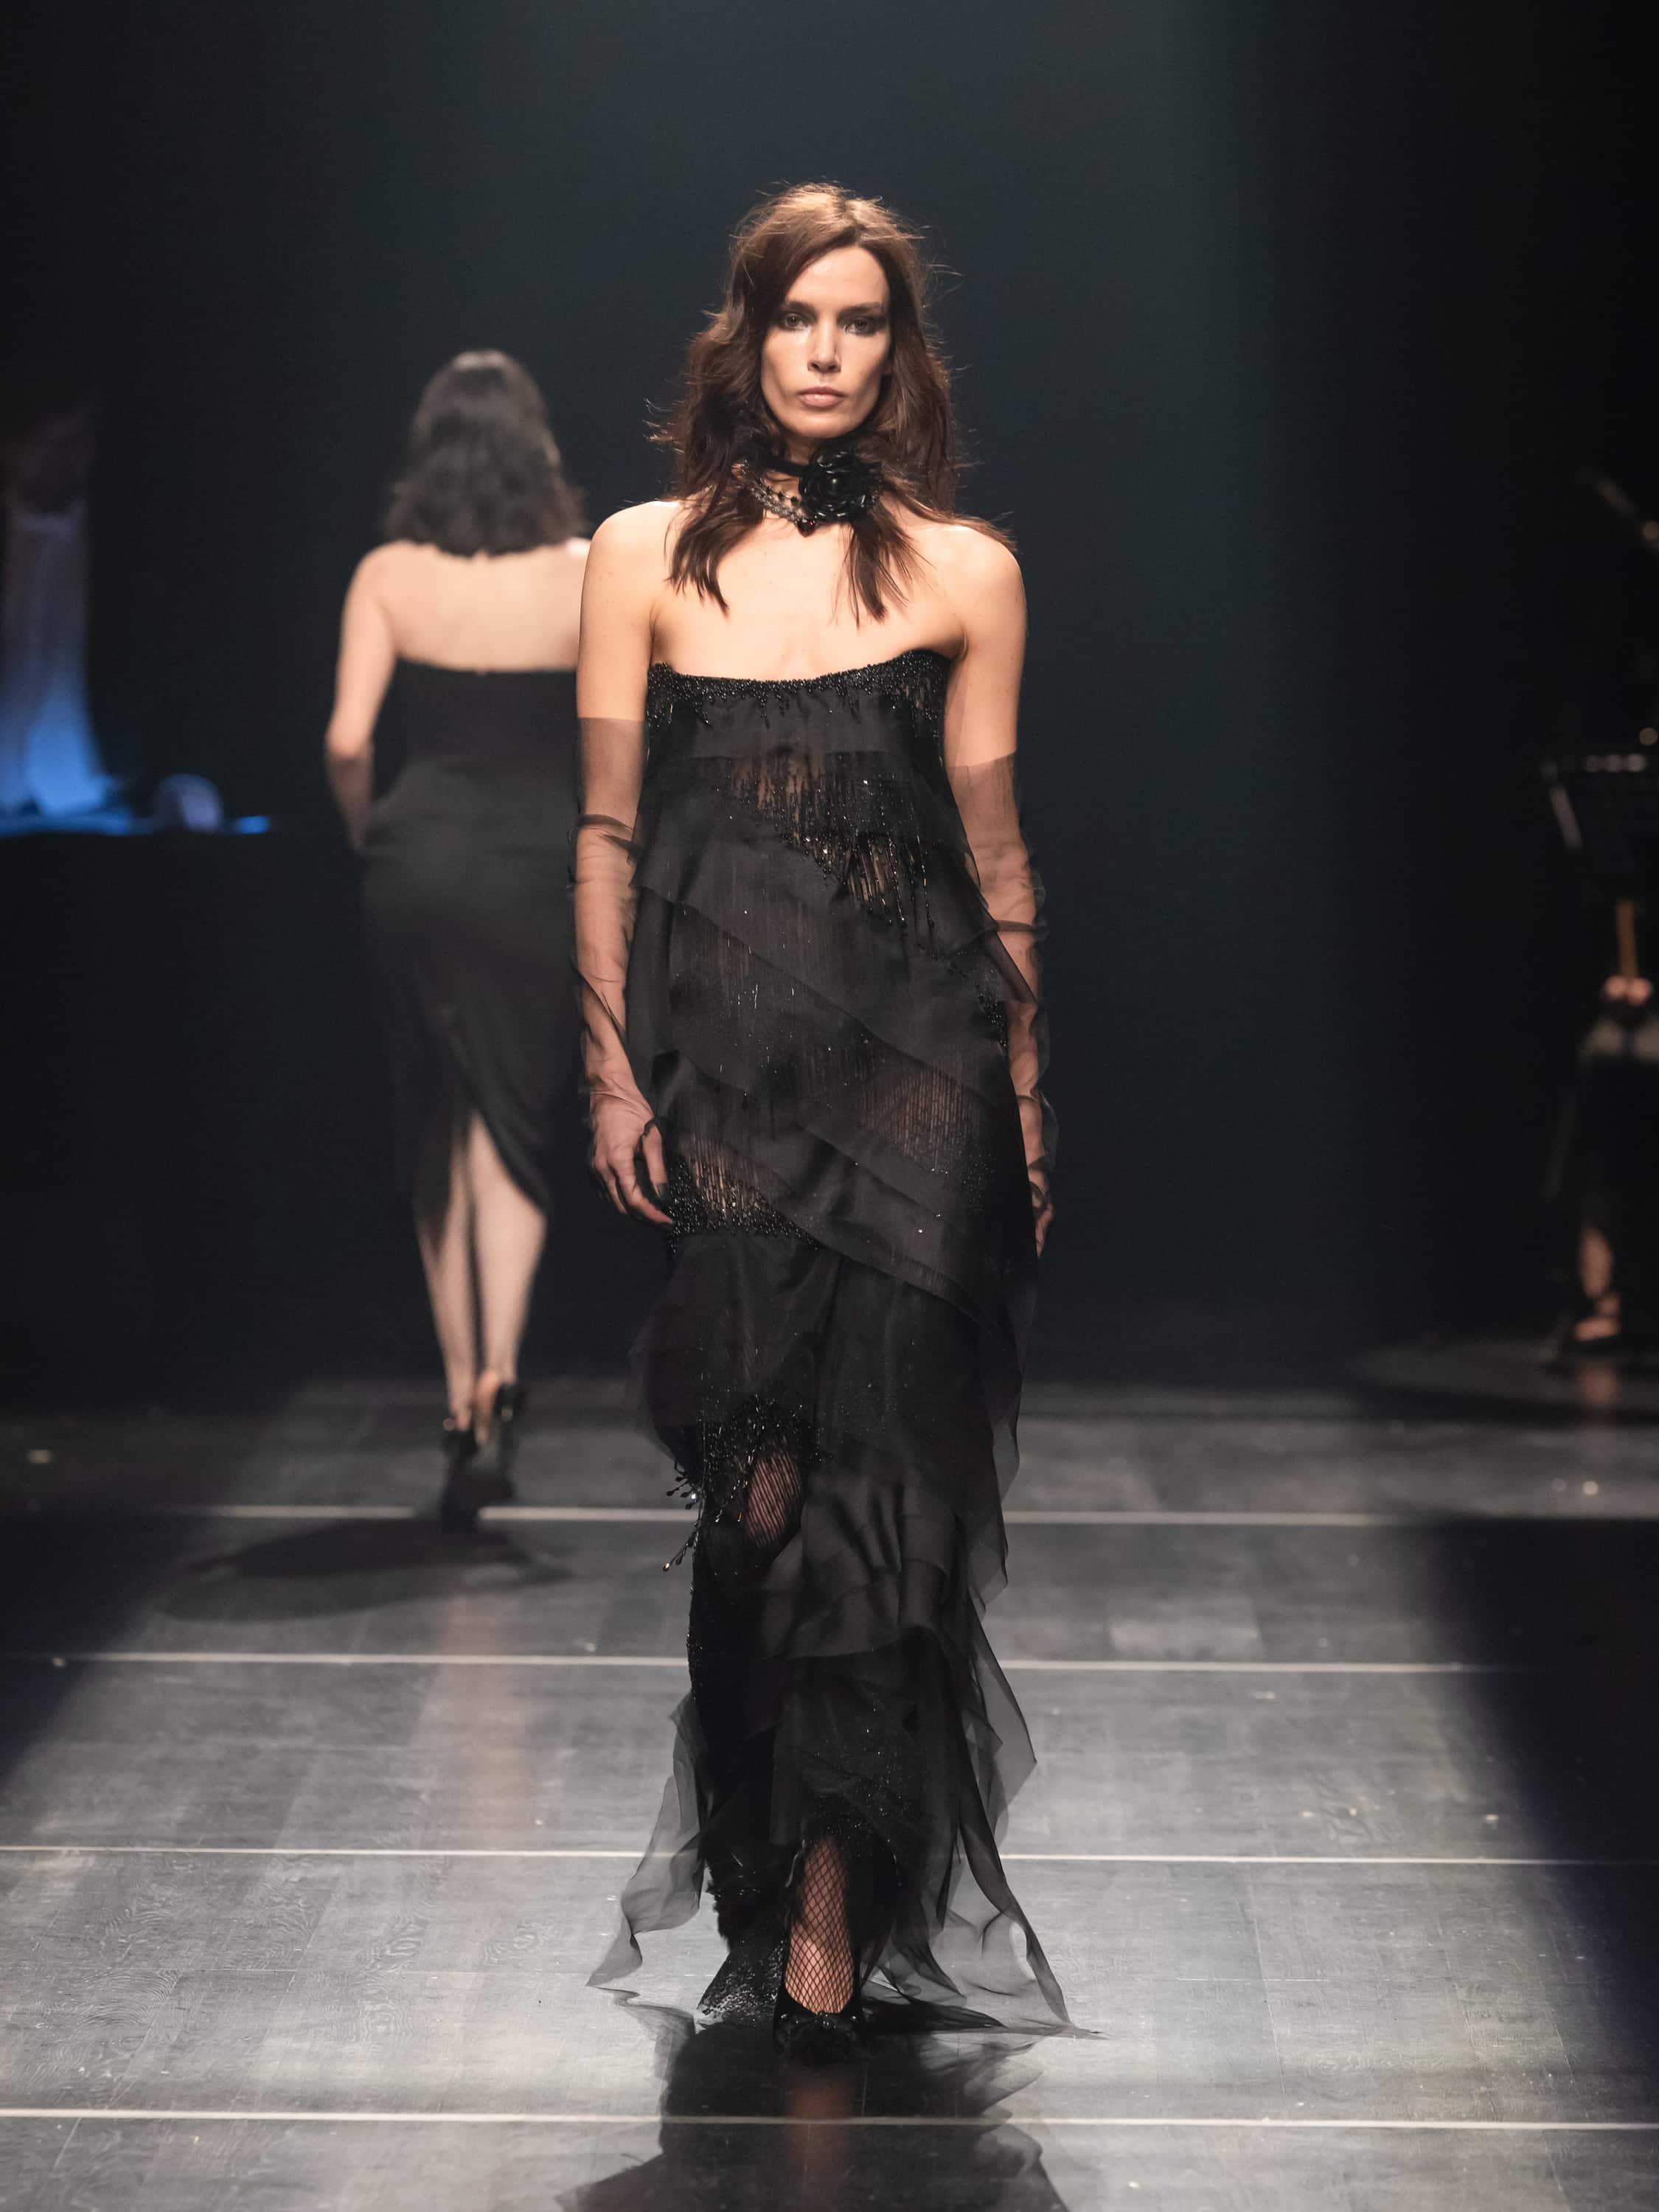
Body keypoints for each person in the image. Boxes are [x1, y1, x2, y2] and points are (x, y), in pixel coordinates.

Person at [574, 185, 1065, 2059]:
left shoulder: (965, 572)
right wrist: (613, 1071)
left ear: (897, 350)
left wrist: (1027, 1105)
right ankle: (768, 1860)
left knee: (887, 1499)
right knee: (756, 1496)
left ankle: (830, 1922)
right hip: (729, 1084)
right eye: (801, 316)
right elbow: (605, 833)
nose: (829, 351)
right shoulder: (635, 556)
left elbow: (996, 862)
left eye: (862, 321)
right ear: (748, 331)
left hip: (920, 1075)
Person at [324, 352, 587, 1527]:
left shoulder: (389, 573)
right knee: (512, 1121)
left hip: (419, 859)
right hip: (538, 862)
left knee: (434, 1117)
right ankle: (505, 1373)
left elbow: (346, 741)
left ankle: (454, 1396)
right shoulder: (582, 574)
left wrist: (368, 834)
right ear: (537, 449)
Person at [0, 370, 119, 819]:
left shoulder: (129, 544)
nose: (69, 457)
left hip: (95, 800)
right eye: (51, 441)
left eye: (79, 439)